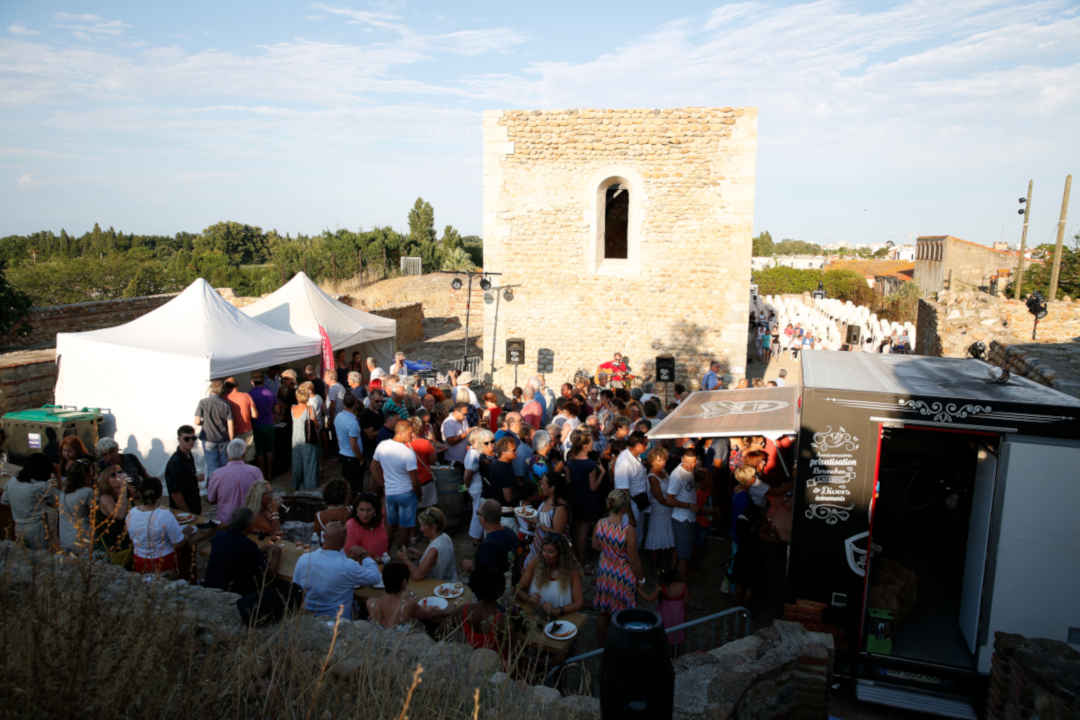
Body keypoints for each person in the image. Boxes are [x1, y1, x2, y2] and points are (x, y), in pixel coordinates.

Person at [293, 521, 380, 619]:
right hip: (337, 623)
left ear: (323, 537)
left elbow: (296, 587)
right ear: (344, 541)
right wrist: (365, 556)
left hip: (308, 619)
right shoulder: (348, 566)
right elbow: (375, 577)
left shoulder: (304, 559)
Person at [593, 489, 644, 646]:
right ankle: (621, 647)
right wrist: (641, 578)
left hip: (605, 572)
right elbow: (634, 558)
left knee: (603, 612)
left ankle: (601, 646)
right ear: (625, 508)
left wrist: (609, 551)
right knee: (623, 615)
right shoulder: (628, 530)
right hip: (622, 575)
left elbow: (595, 545)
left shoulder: (600, 523)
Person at [204, 507, 282, 597]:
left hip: (212, 584)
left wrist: (259, 550)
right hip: (231, 593)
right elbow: (268, 575)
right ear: (249, 526)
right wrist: (277, 554)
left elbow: (234, 552)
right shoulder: (248, 545)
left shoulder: (219, 536)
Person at [126, 477, 194, 575]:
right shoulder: (165, 515)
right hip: (163, 563)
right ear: (160, 495)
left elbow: (132, 537)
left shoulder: (131, 513)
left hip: (140, 561)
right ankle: (187, 578)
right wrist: (186, 533)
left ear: (140, 494)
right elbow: (178, 543)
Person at [372, 420, 420, 549]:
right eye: (410, 433)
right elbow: (415, 480)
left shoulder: (382, 445)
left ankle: (385, 551)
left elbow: (373, 467)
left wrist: (382, 484)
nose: (412, 436)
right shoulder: (408, 453)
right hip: (406, 493)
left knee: (389, 524)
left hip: (390, 493)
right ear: (401, 433)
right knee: (404, 526)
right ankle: (401, 552)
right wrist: (418, 494)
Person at [517, 534, 585, 620]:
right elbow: (518, 588)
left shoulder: (571, 571)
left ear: (561, 555)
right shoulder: (536, 562)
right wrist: (529, 598)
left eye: (551, 552)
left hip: (563, 619)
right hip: (535, 616)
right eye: (544, 550)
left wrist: (557, 611)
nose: (545, 555)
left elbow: (579, 603)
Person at [366, 562, 445, 631]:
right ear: (404, 582)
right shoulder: (408, 605)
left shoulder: (371, 603)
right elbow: (426, 615)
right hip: (404, 643)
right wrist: (434, 609)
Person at [1, 453, 56, 550]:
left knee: (24, 559)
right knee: (40, 559)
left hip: (18, 527)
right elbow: (56, 501)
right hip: (37, 530)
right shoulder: (41, 486)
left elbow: (4, 500)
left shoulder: (12, 481)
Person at [208, 438, 263, 525]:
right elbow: (262, 496)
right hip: (250, 522)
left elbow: (211, 499)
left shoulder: (217, 474)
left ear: (227, 454)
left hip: (226, 522)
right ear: (244, 454)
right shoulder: (255, 471)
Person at [397, 507, 457, 582]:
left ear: (434, 527)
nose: (421, 529)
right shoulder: (445, 537)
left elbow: (417, 576)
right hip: (450, 581)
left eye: (423, 525)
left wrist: (405, 559)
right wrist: (421, 555)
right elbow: (436, 561)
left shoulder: (434, 549)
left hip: (439, 586)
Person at [463, 499, 519, 577]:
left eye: (478, 513)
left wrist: (471, 566)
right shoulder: (510, 532)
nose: (477, 516)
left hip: (497, 585)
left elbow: (484, 573)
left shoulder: (487, 545)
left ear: (483, 519)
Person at [667, 449, 701, 580]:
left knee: (679, 549)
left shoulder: (690, 471)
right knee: (684, 556)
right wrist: (689, 506)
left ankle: (672, 574)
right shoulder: (677, 475)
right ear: (682, 459)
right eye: (687, 463)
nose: (690, 466)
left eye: (693, 463)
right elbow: (669, 499)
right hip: (682, 518)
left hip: (688, 517)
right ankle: (681, 584)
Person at [639, 567, 688, 653]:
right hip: (679, 614)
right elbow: (686, 600)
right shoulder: (683, 586)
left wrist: (638, 590)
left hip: (666, 615)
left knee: (665, 633)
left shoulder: (662, 588)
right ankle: (676, 651)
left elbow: (649, 598)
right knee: (677, 631)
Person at [643, 447, 676, 571]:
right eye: (659, 460)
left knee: (667, 540)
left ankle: (666, 567)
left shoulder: (664, 472)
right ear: (652, 461)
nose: (662, 463)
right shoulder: (652, 477)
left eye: (663, 460)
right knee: (657, 540)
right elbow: (660, 498)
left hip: (668, 510)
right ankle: (656, 569)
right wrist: (677, 504)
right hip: (659, 511)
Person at [194, 380, 234, 480]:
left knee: (212, 467)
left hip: (208, 438)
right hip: (223, 438)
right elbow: (230, 425)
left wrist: (205, 422)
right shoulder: (226, 404)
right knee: (225, 466)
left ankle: (214, 491)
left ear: (210, 389)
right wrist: (231, 440)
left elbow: (197, 421)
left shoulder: (203, 402)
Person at [93, 464, 132, 565]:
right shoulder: (105, 497)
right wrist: (123, 488)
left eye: (120, 472)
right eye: (113, 475)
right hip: (112, 549)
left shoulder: (122, 493)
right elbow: (119, 515)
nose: (118, 476)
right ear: (105, 479)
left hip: (126, 543)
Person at [461, 566, 506, 651]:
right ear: (500, 592)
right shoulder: (502, 622)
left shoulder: (465, 610)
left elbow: (444, 616)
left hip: (473, 652)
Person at [614, 432, 649, 534]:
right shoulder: (624, 462)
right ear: (638, 446)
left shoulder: (636, 457)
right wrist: (630, 516)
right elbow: (623, 491)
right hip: (630, 507)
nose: (647, 447)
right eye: (645, 444)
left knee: (639, 535)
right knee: (630, 539)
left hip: (639, 503)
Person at [464, 428, 495, 541]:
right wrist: (466, 487)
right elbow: (467, 474)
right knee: (478, 512)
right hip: (476, 488)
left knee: (479, 511)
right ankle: (475, 537)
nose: (489, 444)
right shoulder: (473, 454)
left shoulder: (476, 452)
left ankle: (477, 536)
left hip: (478, 487)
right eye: (485, 442)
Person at [58, 459, 95, 552]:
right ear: (86, 476)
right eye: (91, 474)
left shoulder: (63, 493)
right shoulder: (87, 492)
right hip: (82, 537)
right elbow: (95, 513)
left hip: (65, 537)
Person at [165, 425, 202, 515]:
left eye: (193, 438)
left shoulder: (189, 455)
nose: (191, 441)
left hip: (193, 506)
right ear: (179, 439)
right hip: (183, 512)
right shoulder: (175, 463)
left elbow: (185, 479)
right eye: (186, 439)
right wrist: (188, 514)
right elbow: (176, 494)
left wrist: (195, 478)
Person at [334, 392, 365, 495]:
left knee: (347, 485)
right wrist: (360, 458)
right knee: (356, 487)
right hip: (353, 457)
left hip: (343, 453)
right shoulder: (353, 422)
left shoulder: (338, 416)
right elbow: (353, 444)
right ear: (355, 404)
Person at [291, 384, 320, 490]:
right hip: (307, 440)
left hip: (295, 440)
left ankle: (296, 485)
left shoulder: (292, 408)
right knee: (310, 465)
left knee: (297, 465)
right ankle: (310, 487)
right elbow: (315, 424)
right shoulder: (309, 409)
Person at [249, 371, 277, 480]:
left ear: (252, 382)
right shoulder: (269, 393)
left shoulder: (250, 394)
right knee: (269, 450)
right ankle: (269, 474)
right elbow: (276, 409)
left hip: (256, 425)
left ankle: (262, 476)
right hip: (269, 424)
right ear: (263, 381)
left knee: (260, 451)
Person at [345, 492, 388, 560]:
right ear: (356, 510)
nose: (365, 514)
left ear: (375, 510)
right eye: (361, 510)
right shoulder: (351, 525)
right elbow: (350, 553)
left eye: (369, 510)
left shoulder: (382, 523)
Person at [407, 415, 438, 510]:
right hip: (425, 481)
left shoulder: (402, 445)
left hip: (409, 483)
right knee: (428, 511)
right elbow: (433, 460)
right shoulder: (425, 443)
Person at [225, 377, 257, 462]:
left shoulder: (225, 399)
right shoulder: (246, 396)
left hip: (233, 433)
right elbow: (254, 415)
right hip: (247, 430)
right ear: (237, 385)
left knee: (235, 459)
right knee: (249, 458)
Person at [486, 437, 517, 507]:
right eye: (513, 450)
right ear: (503, 452)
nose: (516, 452)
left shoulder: (496, 462)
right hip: (504, 509)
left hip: (496, 504)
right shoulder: (504, 469)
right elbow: (508, 498)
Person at [440, 402, 471, 467]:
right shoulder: (448, 423)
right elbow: (451, 441)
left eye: (467, 414)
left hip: (463, 459)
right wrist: (466, 433)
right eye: (464, 414)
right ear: (456, 412)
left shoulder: (463, 419)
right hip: (453, 460)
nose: (466, 416)